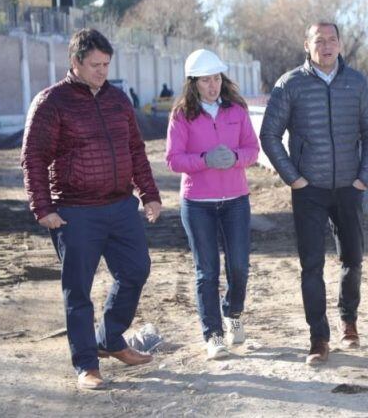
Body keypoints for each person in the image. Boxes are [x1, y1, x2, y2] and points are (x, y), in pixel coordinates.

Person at [21, 28, 162, 390]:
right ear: (75, 62)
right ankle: (86, 365)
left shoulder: (118, 100)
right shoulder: (52, 102)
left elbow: (135, 150)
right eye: (95, 65)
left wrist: (149, 194)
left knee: (136, 270)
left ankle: (109, 338)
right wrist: (43, 208)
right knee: (78, 291)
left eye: (106, 64)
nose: (102, 71)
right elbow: (33, 157)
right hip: (75, 211)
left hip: (119, 206)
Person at [260, 21, 368, 365]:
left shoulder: (356, 83)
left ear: (341, 44)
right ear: (307, 45)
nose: (326, 46)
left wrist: (364, 177)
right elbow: (269, 134)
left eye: (332, 40)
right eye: (319, 40)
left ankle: (349, 320)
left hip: (349, 186)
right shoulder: (290, 84)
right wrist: (294, 178)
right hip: (308, 189)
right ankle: (318, 337)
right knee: (311, 265)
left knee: (353, 258)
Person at [165, 49, 259, 360]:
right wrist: (204, 161)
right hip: (198, 204)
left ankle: (233, 313)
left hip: (235, 201)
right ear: (193, 83)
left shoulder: (236, 111)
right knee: (207, 270)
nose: (212, 85)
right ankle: (214, 334)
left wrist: (235, 158)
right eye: (205, 80)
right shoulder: (181, 116)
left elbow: (252, 149)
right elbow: (173, 159)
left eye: (216, 78)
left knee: (239, 266)